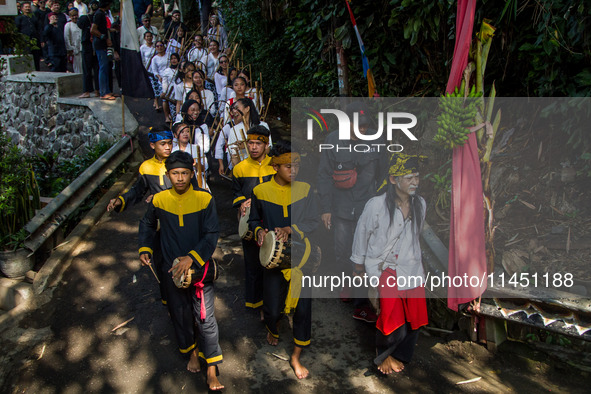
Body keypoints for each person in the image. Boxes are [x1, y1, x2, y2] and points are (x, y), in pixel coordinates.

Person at [138, 150, 224, 391]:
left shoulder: (205, 199)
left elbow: (211, 233)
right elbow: (146, 223)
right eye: (174, 173)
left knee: (206, 318)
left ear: (191, 173)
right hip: (170, 269)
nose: (180, 178)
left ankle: (212, 368)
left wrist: (192, 258)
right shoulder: (159, 200)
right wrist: (144, 247)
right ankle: (192, 352)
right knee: (181, 314)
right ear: (168, 175)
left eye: (184, 173)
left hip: (200, 269)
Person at [248, 140, 320, 379]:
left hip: (301, 258)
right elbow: (254, 220)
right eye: (288, 166)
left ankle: (296, 356)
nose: (294, 170)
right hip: (274, 261)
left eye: (297, 165)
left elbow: (313, 222)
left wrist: (290, 229)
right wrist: (259, 231)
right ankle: (273, 325)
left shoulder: (306, 189)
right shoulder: (260, 191)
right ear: (275, 167)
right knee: (271, 305)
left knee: (303, 309)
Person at [350, 154, 428, 375]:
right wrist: (358, 266)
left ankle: (399, 355)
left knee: (415, 314)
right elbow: (361, 235)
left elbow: (415, 236)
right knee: (391, 313)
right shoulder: (375, 205)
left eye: (417, 177)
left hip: (411, 267)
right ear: (394, 179)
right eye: (409, 177)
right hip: (384, 268)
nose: (415, 182)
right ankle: (383, 355)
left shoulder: (420, 204)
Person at [316, 101, 388, 322]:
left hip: (369, 206)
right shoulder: (333, 141)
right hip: (342, 208)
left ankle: (363, 299)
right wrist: (326, 209)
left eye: (365, 126)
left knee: (368, 252)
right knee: (343, 251)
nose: (363, 130)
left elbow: (385, 174)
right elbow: (324, 176)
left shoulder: (377, 140)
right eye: (358, 126)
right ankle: (345, 284)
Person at [231, 125, 275, 315]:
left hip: (272, 220)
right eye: (250, 143)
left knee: (272, 262)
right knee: (252, 264)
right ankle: (255, 305)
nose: (254, 147)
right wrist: (242, 202)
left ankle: (273, 306)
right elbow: (236, 193)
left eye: (258, 143)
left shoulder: (276, 165)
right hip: (251, 223)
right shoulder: (239, 169)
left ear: (266, 145)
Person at [215, 98, 270, 175]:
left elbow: (268, 150)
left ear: (247, 109)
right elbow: (233, 158)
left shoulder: (263, 126)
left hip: (262, 169)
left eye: (237, 108)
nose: (234, 111)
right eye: (233, 109)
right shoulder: (234, 130)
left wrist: (246, 146)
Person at [172, 123, 210, 190]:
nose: (185, 134)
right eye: (182, 132)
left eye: (187, 131)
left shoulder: (196, 148)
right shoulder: (173, 151)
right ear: (175, 135)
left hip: (197, 181)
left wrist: (196, 164)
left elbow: (204, 168)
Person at [90, 0, 114, 100]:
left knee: (106, 67)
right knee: (103, 68)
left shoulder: (101, 14)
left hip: (102, 44)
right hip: (100, 44)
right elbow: (93, 29)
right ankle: (103, 92)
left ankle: (107, 90)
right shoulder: (99, 14)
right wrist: (104, 37)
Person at [77, 0, 99, 97]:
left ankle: (88, 91)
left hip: (90, 44)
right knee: (95, 68)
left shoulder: (85, 18)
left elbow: (79, 24)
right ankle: (96, 90)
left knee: (88, 68)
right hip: (92, 44)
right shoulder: (98, 17)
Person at [15, 1, 42, 71]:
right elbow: (16, 30)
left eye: (29, 7)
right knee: (27, 58)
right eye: (26, 7)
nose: (28, 8)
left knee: (36, 58)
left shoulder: (33, 17)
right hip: (25, 42)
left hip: (35, 41)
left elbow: (38, 28)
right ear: (22, 8)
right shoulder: (19, 18)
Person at [148, 40, 169, 113]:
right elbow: (155, 70)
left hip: (170, 77)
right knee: (164, 97)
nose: (159, 47)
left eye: (161, 45)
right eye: (157, 46)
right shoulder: (154, 59)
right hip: (162, 79)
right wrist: (159, 76)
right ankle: (166, 114)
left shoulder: (169, 55)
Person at [64, 7, 82, 73]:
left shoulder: (80, 24)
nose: (74, 17)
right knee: (77, 68)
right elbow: (67, 37)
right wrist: (69, 49)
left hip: (82, 48)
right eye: (72, 16)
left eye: (75, 15)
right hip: (74, 49)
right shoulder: (68, 25)